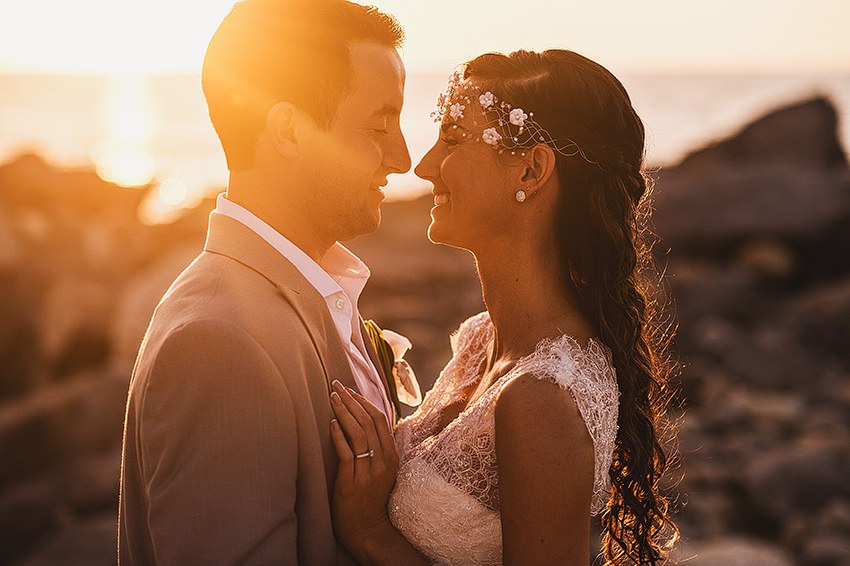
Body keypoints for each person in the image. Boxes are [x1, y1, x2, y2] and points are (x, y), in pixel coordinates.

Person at [328, 49, 679, 565]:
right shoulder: (481, 339)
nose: (423, 166)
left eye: (451, 139)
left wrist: (369, 531)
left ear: (532, 170)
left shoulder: (542, 399)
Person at [118, 0, 411, 564]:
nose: (401, 157)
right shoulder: (216, 342)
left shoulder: (316, 295)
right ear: (288, 130)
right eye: (378, 126)